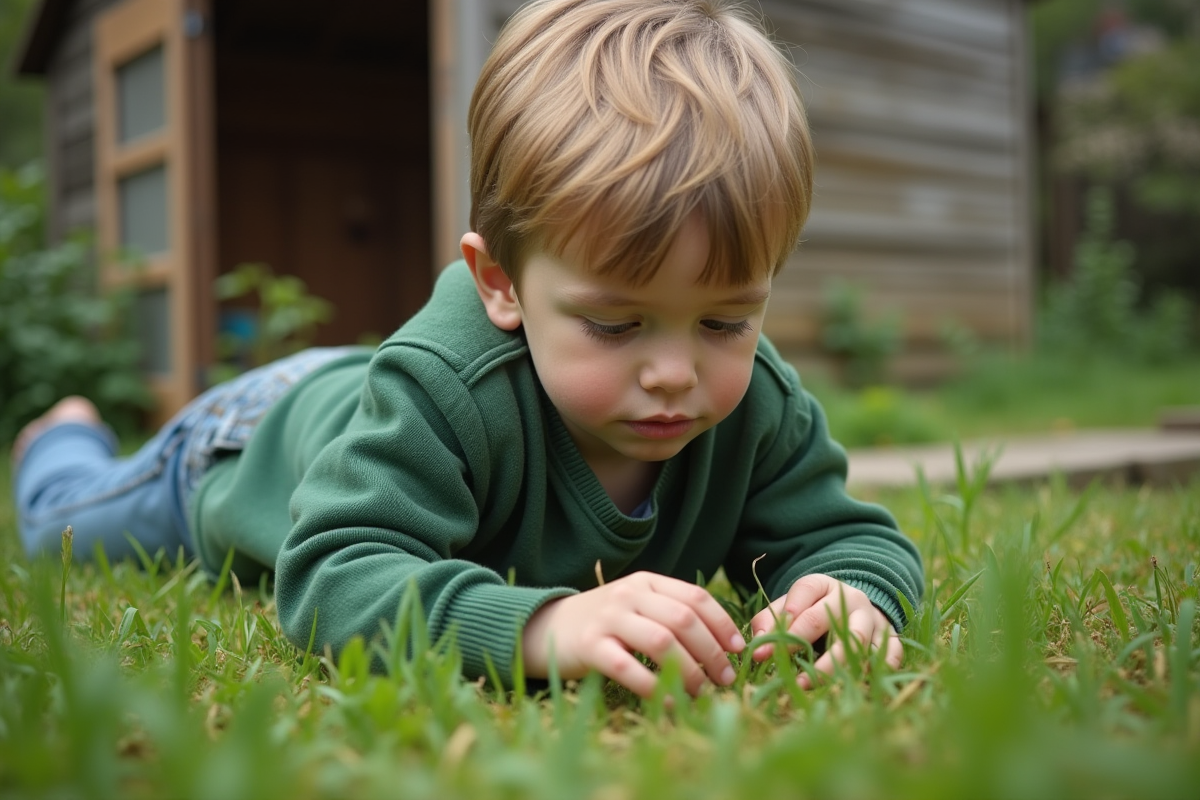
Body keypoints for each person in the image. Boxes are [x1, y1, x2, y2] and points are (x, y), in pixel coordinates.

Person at [12, 0, 923, 698]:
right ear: (501, 285)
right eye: (614, 323)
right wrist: (541, 629)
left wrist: (854, 592)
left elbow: (848, 536)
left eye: (725, 320)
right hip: (248, 442)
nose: (675, 372)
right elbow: (336, 574)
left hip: (354, 389)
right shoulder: (446, 391)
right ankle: (60, 434)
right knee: (61, 528)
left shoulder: (758, 403)